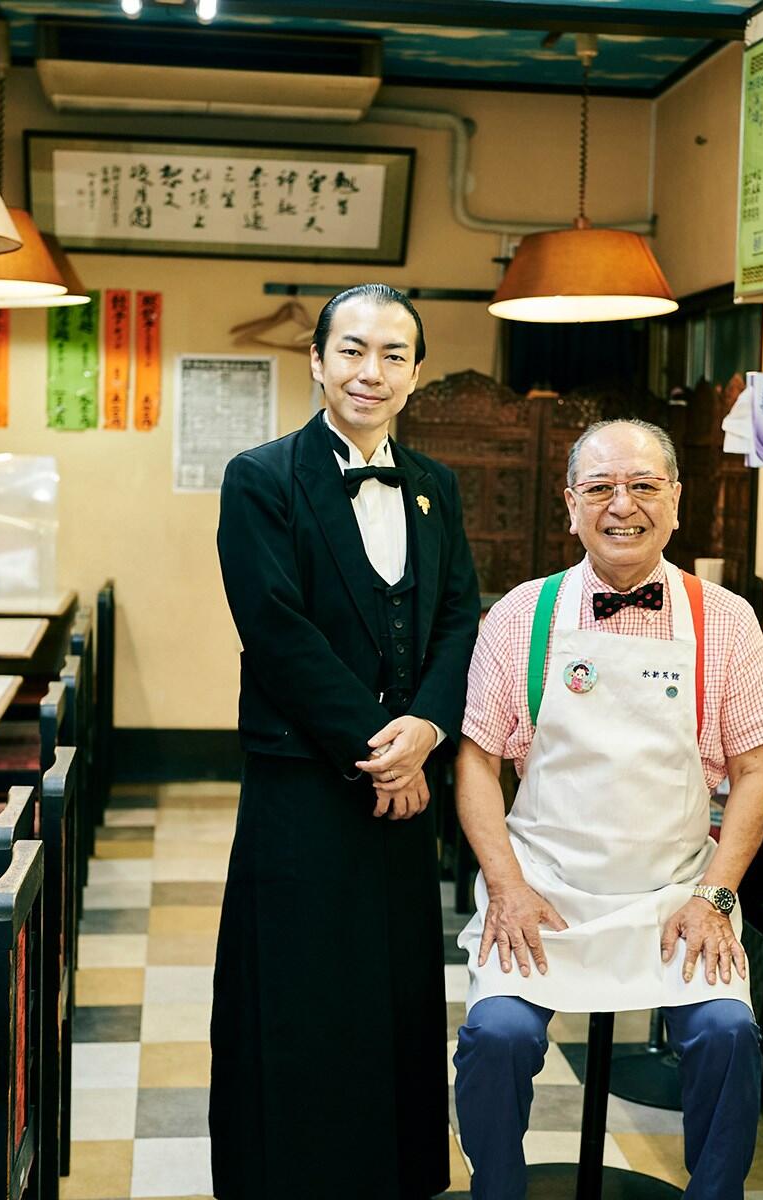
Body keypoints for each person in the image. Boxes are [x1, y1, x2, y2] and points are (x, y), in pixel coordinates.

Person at [452, 418, 763, 1199]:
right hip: (544, 891)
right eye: (600, 487)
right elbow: (475, 762)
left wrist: (715, 894)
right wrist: (506, 884)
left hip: (675, 897)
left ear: (676, 501)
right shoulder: (521, 616)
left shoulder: (727, 620)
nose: (622, 505)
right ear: (570, 505)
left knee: (730, 1035)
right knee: (494, 1038)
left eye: (643, 485)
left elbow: (754, 770)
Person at [211, 284, 482, 1199]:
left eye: (394, 354)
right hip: (306, 782)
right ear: (318, 361)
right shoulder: (262, 476)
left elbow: (456, 621)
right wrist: (381, 749)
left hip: (409, 783)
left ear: (415, 373)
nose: (373, 371)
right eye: (354, 350)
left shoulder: (437, 487)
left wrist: (429, 728)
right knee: (299, 995)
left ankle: (390, 1178)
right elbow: (275, 629)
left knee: (396, 994)